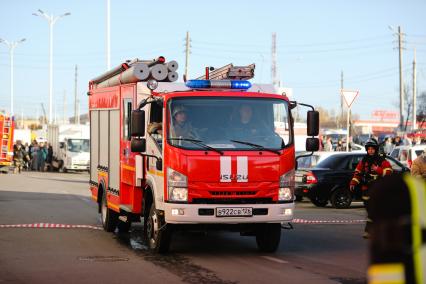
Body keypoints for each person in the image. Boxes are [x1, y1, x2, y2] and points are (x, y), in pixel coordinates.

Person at [349, 138, 393, 238]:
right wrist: (353, 182)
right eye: (369, 149)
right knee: (372, 211)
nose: (370, 151)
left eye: (372, 149)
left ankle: (369, 232)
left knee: (373, 211)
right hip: (366, 190)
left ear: (376, 149)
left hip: (378, 189)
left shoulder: (382, 160)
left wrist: (378, 170)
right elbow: (357, 173)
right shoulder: (363, 161)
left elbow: (389, 172)